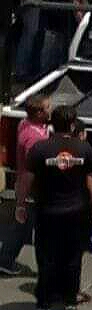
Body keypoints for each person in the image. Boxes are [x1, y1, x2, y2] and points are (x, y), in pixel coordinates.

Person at [15, 105, 92, 310]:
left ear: (52, 124)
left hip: (48, 213)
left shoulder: (40, 149)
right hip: (77, 213)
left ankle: (44, 307)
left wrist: (20, 205)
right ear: (72, 125)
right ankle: (70, 304)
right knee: (73, 259)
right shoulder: (83, 148)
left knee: (46, 260)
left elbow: (26, 180)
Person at [0, 94, 51, 276]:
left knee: (22, 225)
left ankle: (5, 260)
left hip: (25, 185)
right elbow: (33, 168)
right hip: (33, 189)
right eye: (48, 107)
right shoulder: (34, 139)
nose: (50, 110)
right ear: (39, 113)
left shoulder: (25, 124)